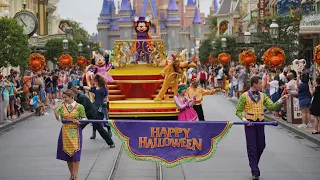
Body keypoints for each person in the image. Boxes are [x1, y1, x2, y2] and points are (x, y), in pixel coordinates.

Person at [236, 76, 286, 180]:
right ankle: (255, 169)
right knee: (252, 147)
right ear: (254, 84)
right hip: (249, 123)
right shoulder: (244, 96)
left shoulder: (263, 96)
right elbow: (238, 111)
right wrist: (245, 120)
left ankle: (253, 163)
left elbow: (271, 106)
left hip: (260, 122)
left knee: (261, 144)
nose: (261, 85)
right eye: (259, 83)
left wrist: (281, 100)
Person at [51, 89, 87, 180]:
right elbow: (58, 118)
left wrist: (79, 121)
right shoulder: (62, 106)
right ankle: (71, 174)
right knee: (68, 155)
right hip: (65, 132)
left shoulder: (80, 107)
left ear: (72, 97)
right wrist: (55, 110)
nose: (64, 99)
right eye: (63, 97)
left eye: (65, 97)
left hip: (75, 132)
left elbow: (84, 119)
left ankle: (75, 175)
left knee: (75, 154)